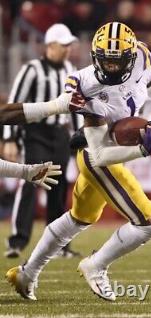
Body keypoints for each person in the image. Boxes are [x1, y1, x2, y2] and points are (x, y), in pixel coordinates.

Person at [6, 21, 151, 301]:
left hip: (112, 155)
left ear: (132, 56)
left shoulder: (142, 56)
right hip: (98, 158)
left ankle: (27, 273)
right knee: (148, 223)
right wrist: (141, 149)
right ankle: (97, 265)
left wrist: (149, 123)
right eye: (106, 61)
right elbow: (101, 153)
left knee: (79, 218)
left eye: (118, 61)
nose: (112, 67)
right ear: (94, 56)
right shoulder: (85, 86)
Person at [3, 23, 80, 258]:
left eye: (69, 45)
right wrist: (10, 138)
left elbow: (76, 106)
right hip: (35, 133)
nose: (67, 49)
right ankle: (18, 241)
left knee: (58, 190)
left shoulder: (71, 69)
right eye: (63, 45)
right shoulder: (32, 70)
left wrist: (78, 139)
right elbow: (15, 104)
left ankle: (57, 246)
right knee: (30, 181)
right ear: (50, 45)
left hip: (60, 134)